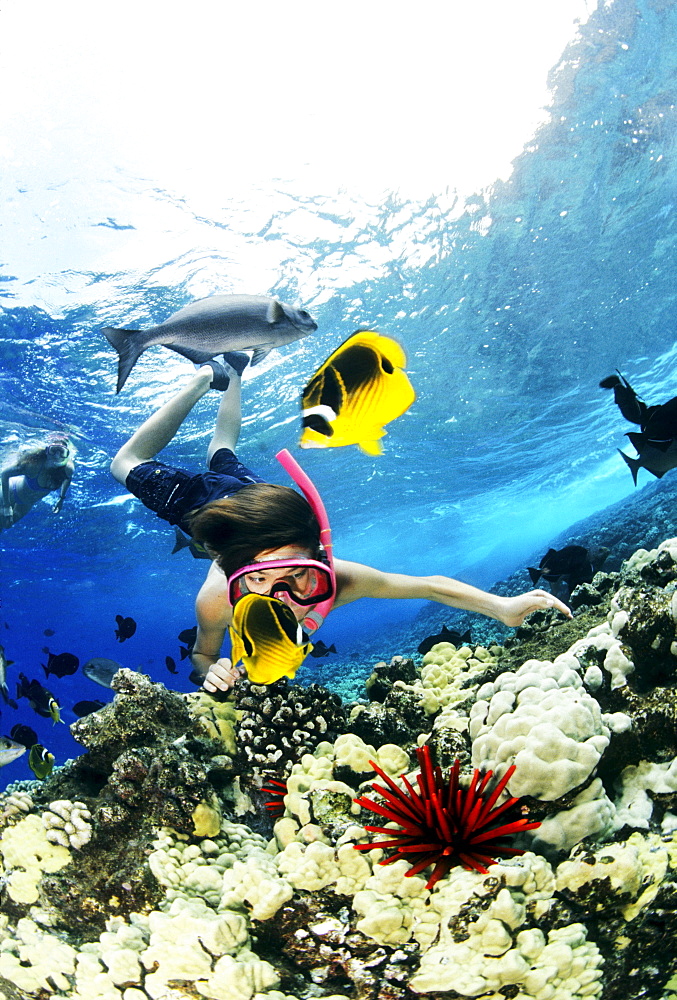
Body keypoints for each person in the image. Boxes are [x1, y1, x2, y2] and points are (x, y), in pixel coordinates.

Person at [110, 357, 572, 694]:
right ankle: (204, 379)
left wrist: (503, 607)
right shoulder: (216, 600)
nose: (284, 595)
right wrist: (208, 668)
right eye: (261, 579)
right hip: (204, 511)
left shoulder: (336, 580)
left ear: (318, 556)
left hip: (260, 502)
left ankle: (233, 370)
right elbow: (202, 653)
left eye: (297, 574)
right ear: (233, 574)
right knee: (126, 464)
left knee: (222, 452)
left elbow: (428, 586)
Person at [0, 433, 75, 530]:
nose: (56, 456)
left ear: (66, 455)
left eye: (61, 452)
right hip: (11, 491)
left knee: (5, 526)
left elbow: (67, 479)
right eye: (53, 451)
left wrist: (61, 499)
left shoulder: (68, 469)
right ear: (47, 451)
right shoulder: (33, 465)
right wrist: (6, 506)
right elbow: (5, 474)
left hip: (26, 503)